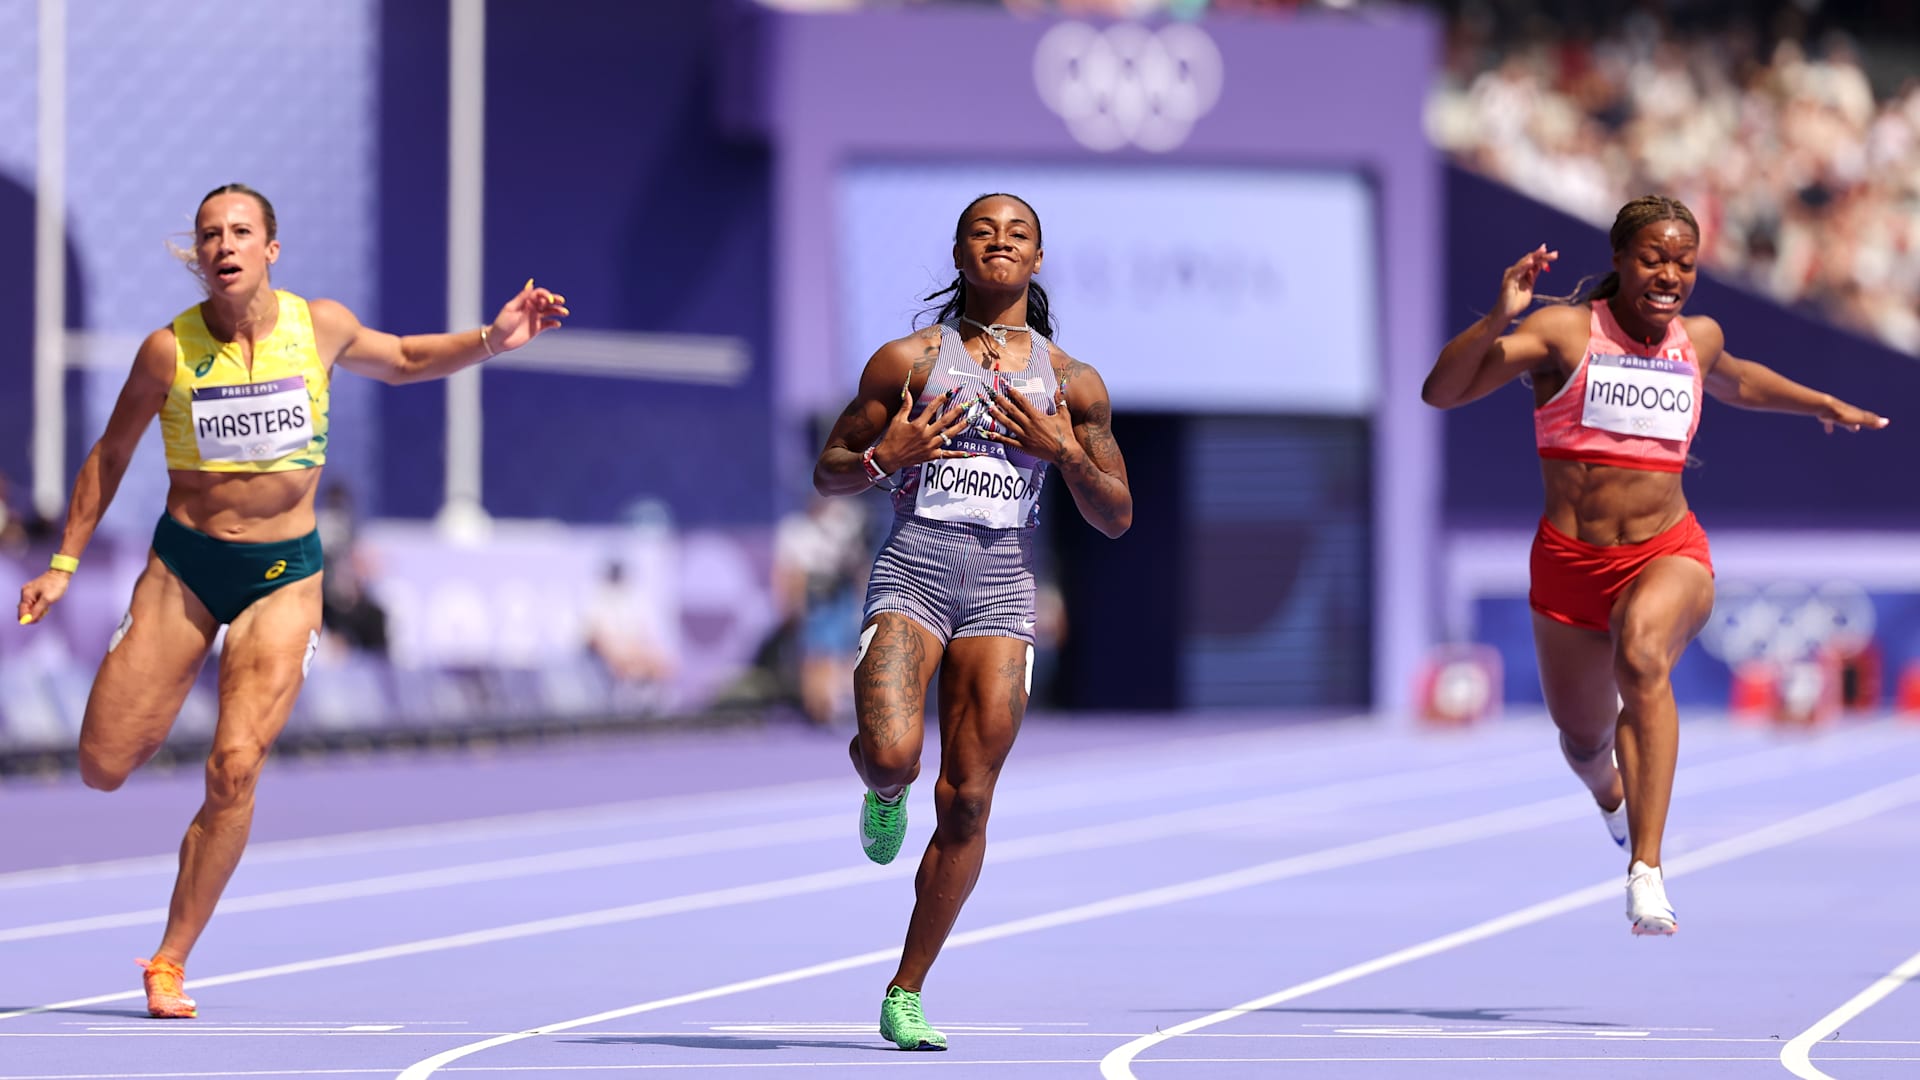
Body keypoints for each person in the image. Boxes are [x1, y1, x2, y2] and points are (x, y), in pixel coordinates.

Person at [14, 183, 567, 1017]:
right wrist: (63, 560)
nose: (223, 244)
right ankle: (154, 681)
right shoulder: (169, 351)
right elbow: (111, 451)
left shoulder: (321, 327)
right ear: (198, 256)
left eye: (240, 230)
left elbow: (410, 359)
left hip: (284, 575)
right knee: (101, 766)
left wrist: (495, 337)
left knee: (234, 767)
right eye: (209, 234)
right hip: (185, 567)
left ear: (270, 250)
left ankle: (169, 959)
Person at [1421, 194, 1886, 935]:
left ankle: (1648, 869)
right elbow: (1440, 392)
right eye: (1653, 258)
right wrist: (1498, 319)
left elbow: (1739, 379)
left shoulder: (1695, 340)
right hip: (1569, 567)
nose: (1669, 274)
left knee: (1642, 656)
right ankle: (1609, 793)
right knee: (1581, 742)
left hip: (1667, 552)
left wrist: (1821, 401)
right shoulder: (1564, 333)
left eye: (1684, 262)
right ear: (1619, 260)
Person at [813, 192, 1132, 1049]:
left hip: (1000, 590)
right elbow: (831, 470)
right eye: (983, 232)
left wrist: (1064, 452)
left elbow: (1117, 515)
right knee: (892, 755)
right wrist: (887, 456)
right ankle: (881, 790)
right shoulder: (907, 362)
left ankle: (906, 989)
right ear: (959, 255)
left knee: (967, 801)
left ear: (1036, 259)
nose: (1000, 242)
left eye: (1016, 233)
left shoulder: (1073, 384)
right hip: (915, 570)